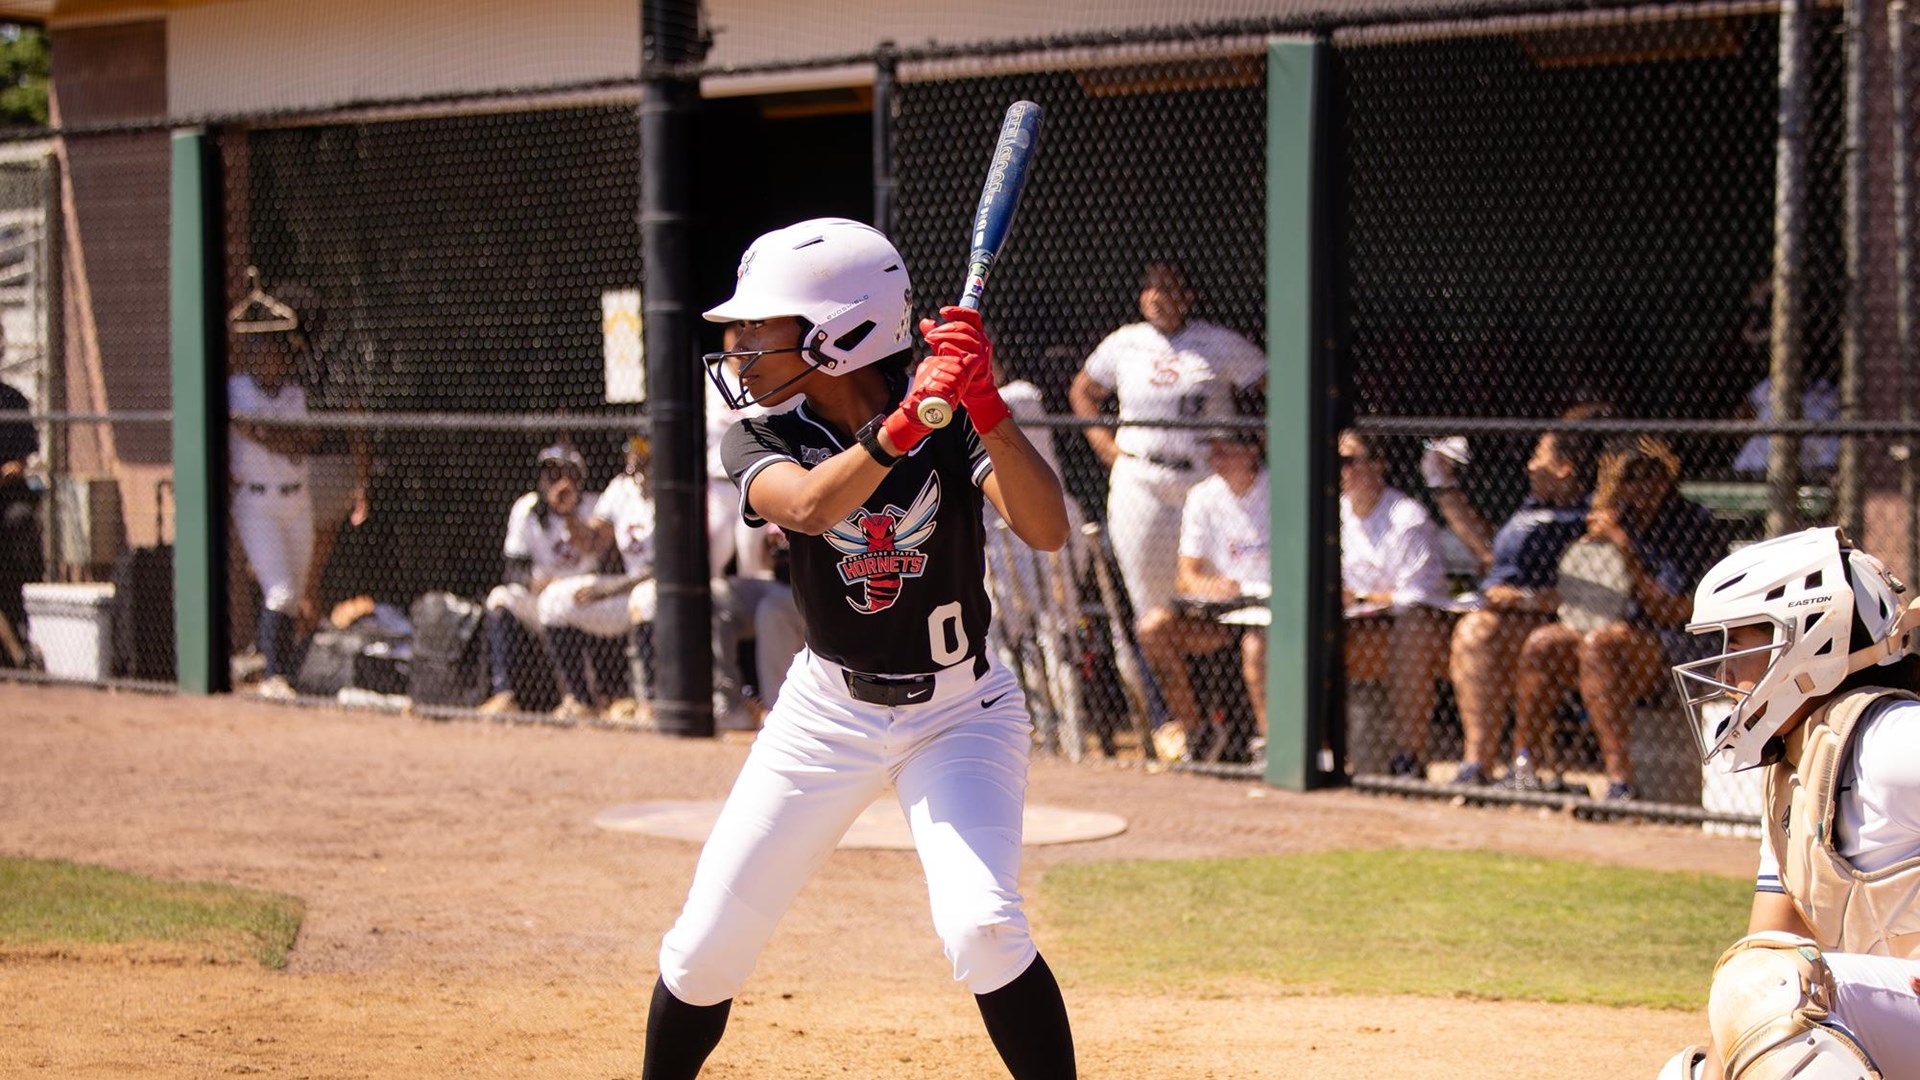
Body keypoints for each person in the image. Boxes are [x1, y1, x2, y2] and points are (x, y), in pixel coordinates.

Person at [643, 217, 1075, 1080]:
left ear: (837, 336)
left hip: (963, 715)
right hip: (826, 712)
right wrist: (904, 425)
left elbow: (1048, 528)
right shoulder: (766, 435)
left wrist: (982, 409)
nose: (739, 349)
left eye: (758, 329)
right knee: (704, 951)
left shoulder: (951, 419)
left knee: (983, 930)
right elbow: (805, 507)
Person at [1656, 527, 1920, 1080]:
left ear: (1812, 638)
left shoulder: (1893, 738)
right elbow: (1769, 950)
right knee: (1694, 1070)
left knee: (1772, 991)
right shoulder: (1798, 772)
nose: (1726, 669)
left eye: (1742, 642)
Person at [1504, 436, 1721, 799]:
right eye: (1631, 479)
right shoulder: (1614, 518)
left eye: (1652, 476)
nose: (1643, 487)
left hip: (1678, 648)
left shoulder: (1693, 523)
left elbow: (1670, 611)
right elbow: (1582, 603)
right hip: (1612, 638)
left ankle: (1620, 782)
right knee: (1543, 643)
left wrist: (1623, 547)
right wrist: (1598, 546)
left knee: (1599, 647)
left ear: (1669, 477)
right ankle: (1523, 766)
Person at [1069, 261, 1265, 636]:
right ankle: (1163, 695)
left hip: (1205, 478)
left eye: (1168, 288)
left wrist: (1256, 447)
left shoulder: (1216, 342)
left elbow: (1273, 383)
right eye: (1149, 289)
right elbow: (1083, 390)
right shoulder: (1124, 342)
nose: (1157, 297)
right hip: (1142, 478)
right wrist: (1104, 447)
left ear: (1188, 297)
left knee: (1221, 595)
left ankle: (1224, 690)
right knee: (1150, 603)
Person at [1441, 408, 1605, 786]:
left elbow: (1595, 594)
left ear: (1564, 468)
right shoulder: (1534, 507)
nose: (1530, 466)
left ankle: (1510, 763)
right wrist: (1443, 486)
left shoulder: (1591, 518)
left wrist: (1525, 599)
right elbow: (1488, 557)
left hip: (1558, 625)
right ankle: (1476, 764)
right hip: (1504, 616)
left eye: (1538, 458)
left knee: (1491, 635)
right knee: (1474, 630)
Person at [1139, 426, 1270, 763]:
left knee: (1256, 647)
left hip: (1272, 612)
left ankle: (1272, 745)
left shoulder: (1280, 487)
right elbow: (1187, 576)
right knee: (1153, 628)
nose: (1215, 460)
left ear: (1252, 451)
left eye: (1225, 451)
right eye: (1213, 451)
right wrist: (1210, 586)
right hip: (1224, 616)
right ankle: (1197, 732)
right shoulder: (1203, 495)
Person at [1338, 429, 1453, 778]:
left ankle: (1409, 759)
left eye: (1348, 460)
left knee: (1411, 630)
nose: (1339, 470)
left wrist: (1359, 597)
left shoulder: (1407, 517)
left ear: (1377, 466)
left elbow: (1418, 599)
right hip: (1348, 626)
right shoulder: (1330, 511)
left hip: (1406, 630)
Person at [227, 276, 322, 700]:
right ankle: (273, 676)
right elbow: (268, 435)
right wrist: (271, 436)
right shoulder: (235, 389)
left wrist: (261, 433)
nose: (275, 363)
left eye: (280, 356)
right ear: (252, 358)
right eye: (266, 355)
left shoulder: (293, 395)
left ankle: (284, 671)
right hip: (256, 501)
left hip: (296, 499)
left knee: (294, 594)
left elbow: (304, 445)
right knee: (279, 591)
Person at [475, 445, 607, 718]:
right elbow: (513, 568)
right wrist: (536, 583)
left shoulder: (596, 507)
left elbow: (604, 557)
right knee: (501, 597)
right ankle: (504, 693)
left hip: (586, 598)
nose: (558, 482)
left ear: (579, 479)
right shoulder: (526, 509)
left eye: (566, 474)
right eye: (551, 474)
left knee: (561, 602)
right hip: (541, 597)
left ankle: (580, 698)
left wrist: (569, 512)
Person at [540, 434, 656, 722]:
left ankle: (651, 702)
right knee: (553, 601)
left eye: (643, 450)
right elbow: (591, 541)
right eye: (632, 449)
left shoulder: (677, 485)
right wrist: (568, 515)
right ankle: (581, 700)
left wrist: (611, 589)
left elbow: (668, 566)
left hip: (667, 592)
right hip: (627, 592)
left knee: (646, 597)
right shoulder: (622, 488)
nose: (634, 456)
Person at [0, 379, 39, 668]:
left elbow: (20, 463)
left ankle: (21, 645)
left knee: (20, 518)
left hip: (7, 494)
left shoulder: (13, 400)